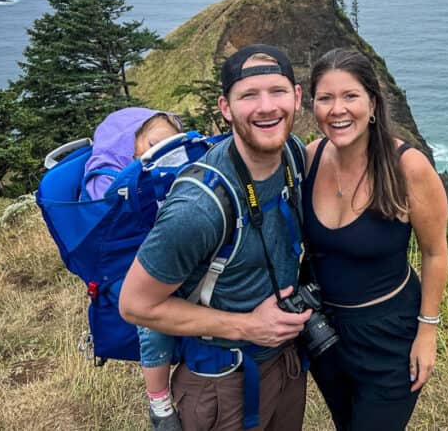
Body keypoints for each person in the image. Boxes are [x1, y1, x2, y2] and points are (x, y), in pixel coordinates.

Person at [120, 44, 311, 431]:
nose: (266, 107)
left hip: (285, 364)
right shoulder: (200, 207)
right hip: (222, 380)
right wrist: (247, 327)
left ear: (297, 97)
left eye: (277, 91)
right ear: (226, 108)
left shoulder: (293, 153)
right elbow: (135, 306)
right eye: (248, 96)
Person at [303, 47, 448, 430]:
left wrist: (427, 332)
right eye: (326, 98)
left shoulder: (407, 167)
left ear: (372, 103)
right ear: (312, 105)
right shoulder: (308, 159)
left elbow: (435, 253)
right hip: (325, 334)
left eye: (350, 96)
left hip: (390, 336)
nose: (338, 110)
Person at [85, 109, 184, 430]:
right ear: (130, 139)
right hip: (125, 264)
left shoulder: (157, 168)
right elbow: (116, 211)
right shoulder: (105, 173)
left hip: (156, 247)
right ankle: (159, 403)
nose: (160, 152)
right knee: (154, 317)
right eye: (154, 143)